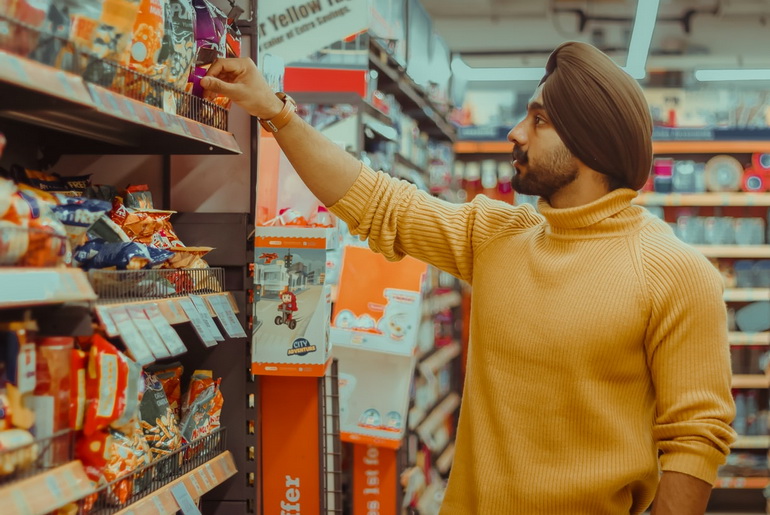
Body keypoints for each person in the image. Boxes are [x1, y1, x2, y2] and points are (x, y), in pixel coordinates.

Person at [201, 41, 736, 515]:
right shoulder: (498, 234)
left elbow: (696, 441)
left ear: (590, 146)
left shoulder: (677, 275)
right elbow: (376, 200)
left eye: (540, 120)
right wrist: (275, 111)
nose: (515, 132)